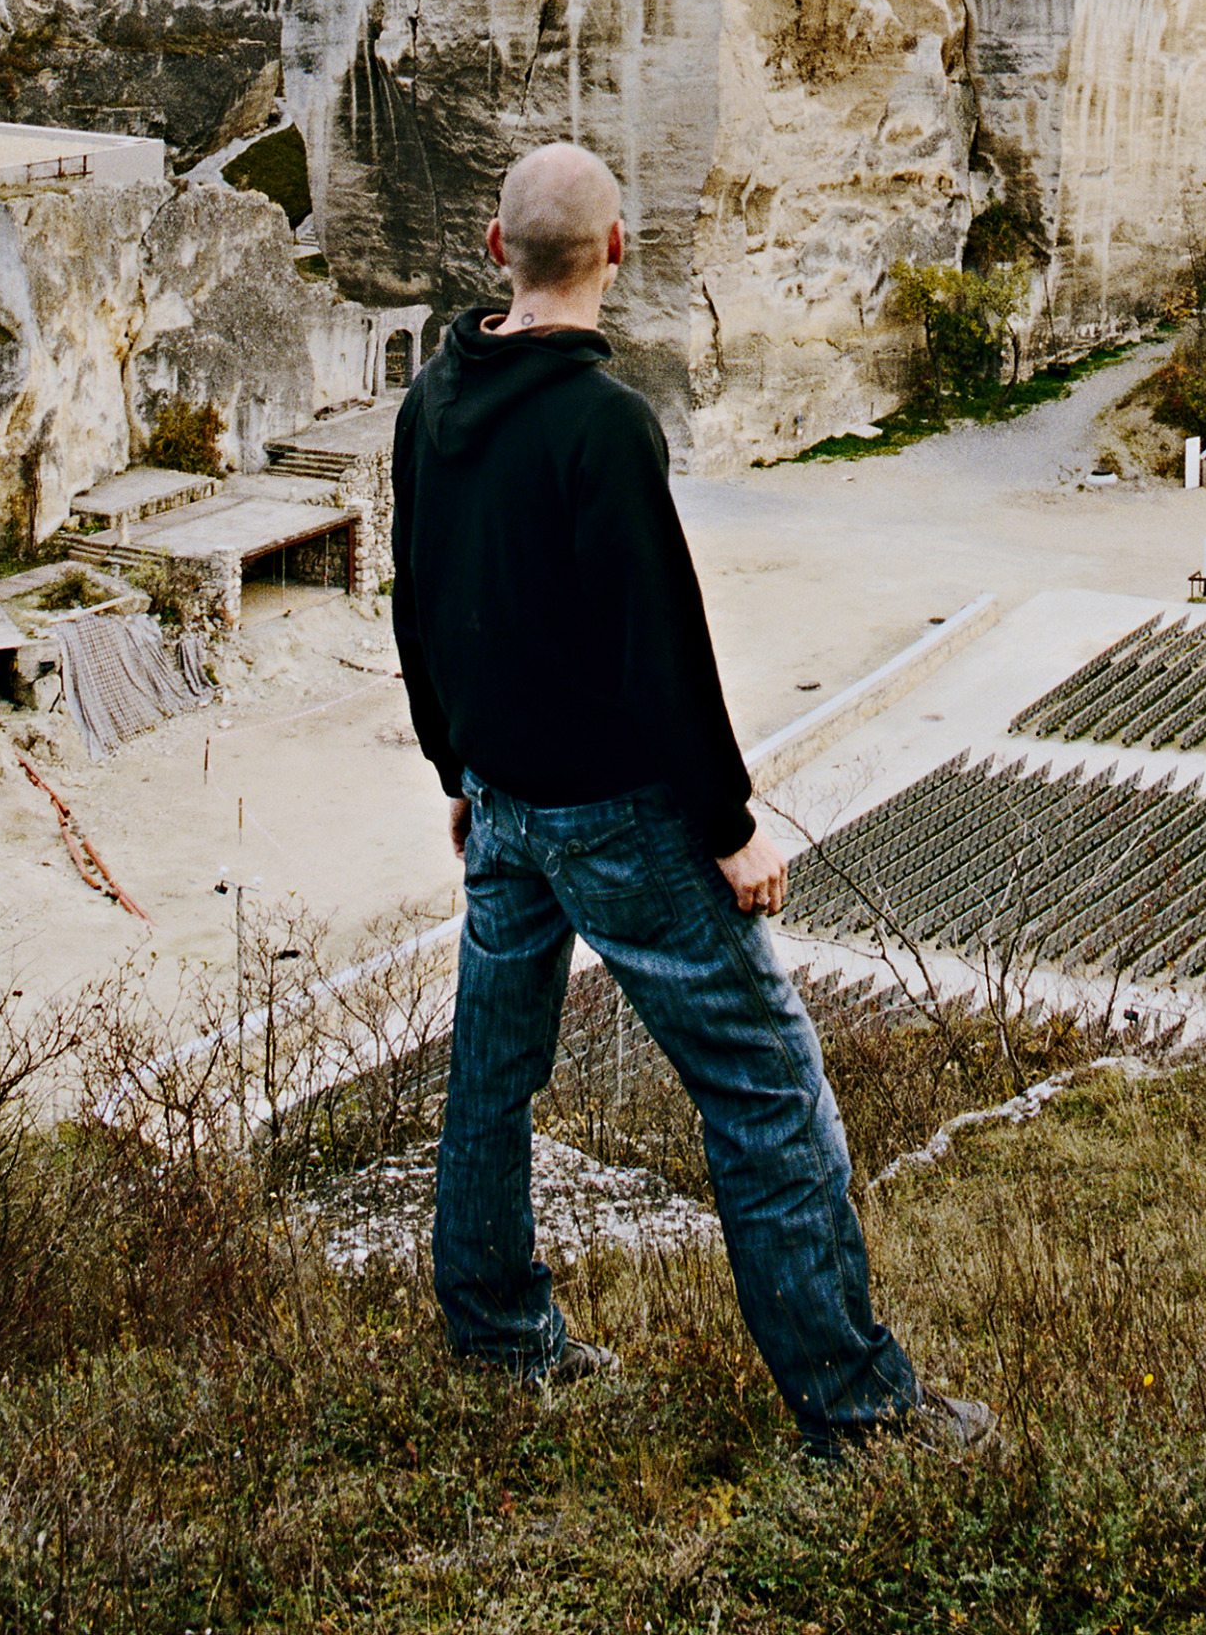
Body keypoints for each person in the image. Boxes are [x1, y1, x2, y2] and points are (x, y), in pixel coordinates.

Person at [392, 141, 989, 1455]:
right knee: (765, 1088)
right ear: (616, 251)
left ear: (496, 250)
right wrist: (729, 828)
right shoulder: (604, 423)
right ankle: (857, 1409)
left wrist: (456, 767)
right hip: (614, 815)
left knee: (493, 1076)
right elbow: (657, 646)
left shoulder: (433, 401)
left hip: (501, 805)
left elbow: (419, 600)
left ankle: (495, 1334)